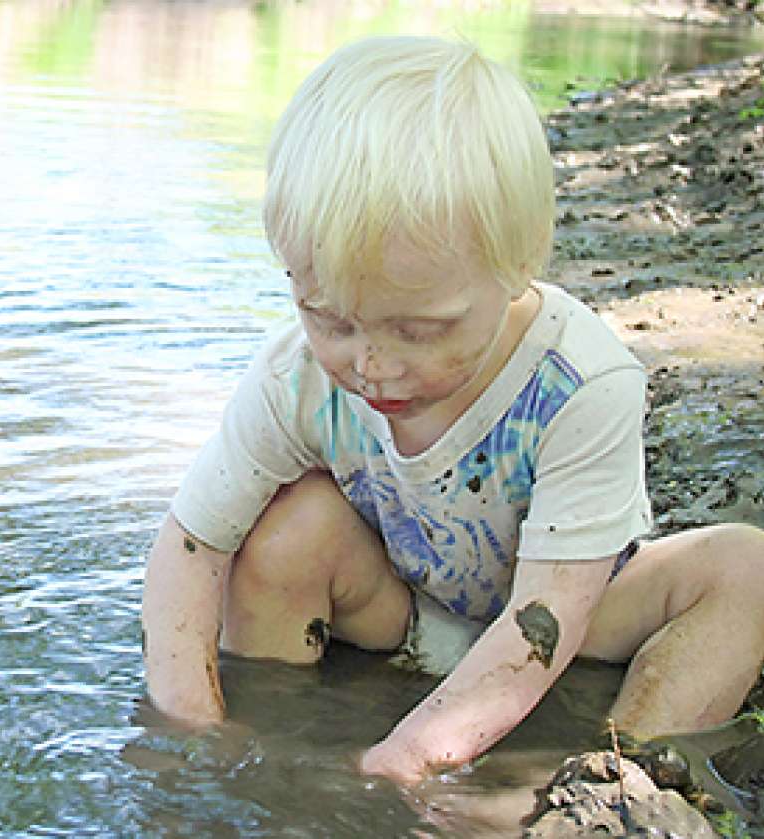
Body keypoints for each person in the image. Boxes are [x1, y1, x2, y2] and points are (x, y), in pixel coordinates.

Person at [140, 34, 764, 786]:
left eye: (417, 329)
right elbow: (192, 543)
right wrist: (190, 728)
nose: (369, 364)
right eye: (328, 318)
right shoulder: (296, 377)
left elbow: (549, 615)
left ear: (521, 260)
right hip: (403, 610)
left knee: (745, 568)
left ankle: (609, 774)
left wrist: (397, 764)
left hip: (580, 609)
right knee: (285, 529)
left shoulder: (580, 381)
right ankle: (282, 750)